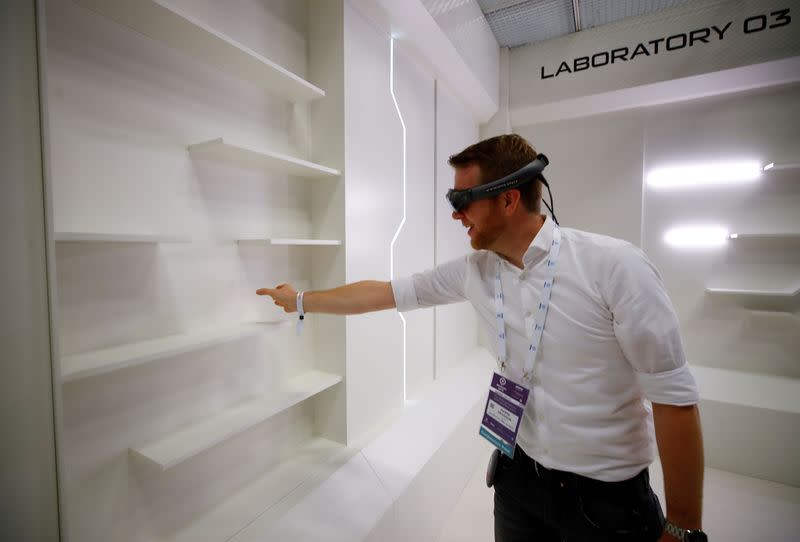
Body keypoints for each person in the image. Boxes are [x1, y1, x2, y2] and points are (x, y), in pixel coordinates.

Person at [256, 134, 706, 542]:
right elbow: (385, 293)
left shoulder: (615, 267)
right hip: (518, 480)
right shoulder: (475, 271)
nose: (456, 214)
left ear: (509, 200)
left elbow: (672, 396)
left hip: (606, 501)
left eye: (463, 199)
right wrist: (301, 300)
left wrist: (682, 527)